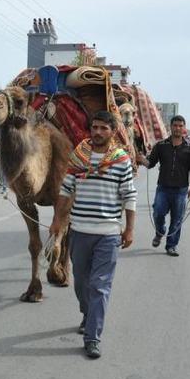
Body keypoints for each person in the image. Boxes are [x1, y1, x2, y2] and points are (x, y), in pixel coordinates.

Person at [50, 111, 137, 359]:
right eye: (95, 127)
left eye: (103, 128)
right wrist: (57, 220)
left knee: (99, 286)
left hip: (108, 234)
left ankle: (92, 337)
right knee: (81, 282)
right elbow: (66, 190)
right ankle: (88, 314)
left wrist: (129, 228)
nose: (98, 132)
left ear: (113, 132)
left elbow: (129, 195)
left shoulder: (121, 160)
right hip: (79, 232)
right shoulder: (78, 157)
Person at [137, 115, 190, 257]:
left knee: (177, 219)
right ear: (170, 127)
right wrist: (141, 159)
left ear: (184, 128)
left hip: (181, 190)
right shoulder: (161, 145)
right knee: (158, 213)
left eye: (180, 126)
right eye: (175, 125)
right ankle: (160, 232)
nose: (177, 128)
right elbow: (150, 163)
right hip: (163, 188)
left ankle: (171, 246)